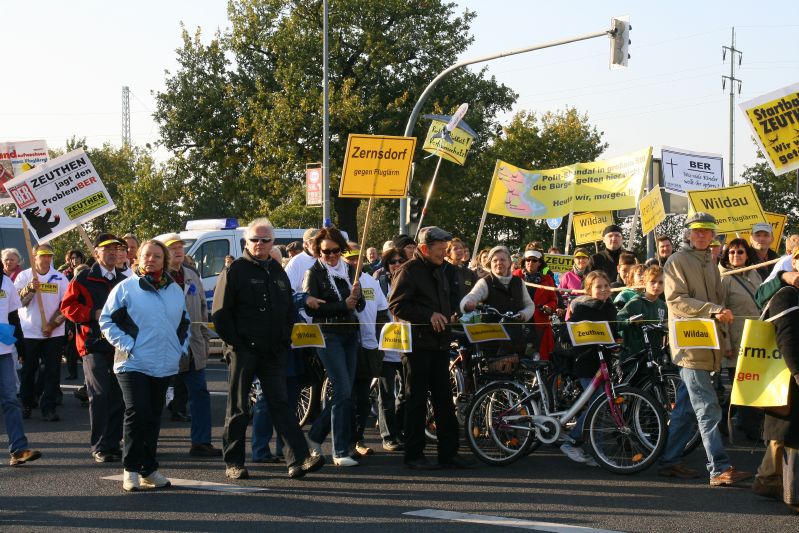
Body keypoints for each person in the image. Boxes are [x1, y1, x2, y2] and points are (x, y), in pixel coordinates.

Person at [212, 218, 324, 481]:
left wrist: (284, 339)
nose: (260, 244)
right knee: (239, 408)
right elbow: (220, 315)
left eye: (265, 240)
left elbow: (287, 308)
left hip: (273, 351)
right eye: (255, 240)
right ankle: (234, 462)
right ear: (246, 242)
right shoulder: (235, 271)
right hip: (243, 350)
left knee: (282, 405)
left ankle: (298, 460)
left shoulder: (277, 270)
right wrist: (237, 345)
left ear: (273, 243)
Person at [657, 212, 752, 486]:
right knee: (707, 407)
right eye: (697, 230)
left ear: (713, 236)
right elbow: (676, 300)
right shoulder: (677, 260)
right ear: (688, 233)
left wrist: (727, 344)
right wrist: (713, 310)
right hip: (690, 347)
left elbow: (720, 304)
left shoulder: (710, 262)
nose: (701, 235)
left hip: (708, 346)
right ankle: (718, 468)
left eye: (707, 231)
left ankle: (670, 460)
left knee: (688, 406)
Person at [99, 239, 191, 492]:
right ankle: (130, 469)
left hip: (164, 362)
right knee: (137, 411)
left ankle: (148, 469)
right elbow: (107, 321)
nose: (151, 259)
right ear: (137, 258)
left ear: (166, 261)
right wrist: (129, 344)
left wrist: (180, 349)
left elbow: (184, 323)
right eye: (146, 255)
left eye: (157, 256)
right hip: (132, 362)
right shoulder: (125, 288)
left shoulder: (173, 289)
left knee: (152, 416)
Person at [390, 226, 474, 470]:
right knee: (415, 401)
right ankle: (414, 454)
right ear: (425, 249)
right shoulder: (408, 271)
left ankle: (449, 453)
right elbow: (396, 305)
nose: (444, 254)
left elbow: (444, 302)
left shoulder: (442, 270)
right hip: (417, 345)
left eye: (446, 250)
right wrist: (429, 315)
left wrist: (452, 313)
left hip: (439, 343)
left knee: (444, 400)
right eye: (440, 250)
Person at [61, 234, 128, 463]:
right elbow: (67, 308)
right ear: (96, 253)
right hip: (93, 344)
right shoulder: (84, 278)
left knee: (118, 396)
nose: (112, 252)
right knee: (100, 394)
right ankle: (100, 445)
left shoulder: (123, 280)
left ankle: (113, 443)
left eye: (116, 249)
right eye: (106, 249)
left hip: (118, 344)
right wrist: (92, 314)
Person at [304, 228, 364, 466]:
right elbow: (311, 308)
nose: (331, 256)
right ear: (318, 250)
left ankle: (315, 436)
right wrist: (343, 305)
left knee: (345, 392)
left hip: (350, 333)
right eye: (326, 251)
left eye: (336, 251)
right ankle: (339, 451)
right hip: (328, 335)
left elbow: (358, 306)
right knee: (342, 390)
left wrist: (357, 296)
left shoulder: (350, 270)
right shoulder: (314, 273)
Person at [159, 233, 221, 457]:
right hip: (165, 346)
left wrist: (204, 340)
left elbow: (203, 309)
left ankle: (201, 442)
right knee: (154, 396)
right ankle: (147, 442)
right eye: (172, 247)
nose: (178, 250)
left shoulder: (192, 274)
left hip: (192, 345)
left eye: (180, 247)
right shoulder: (156, 276)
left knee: (200, 394)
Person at [755, 246, 799, 512]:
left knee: (782, 435)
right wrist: (797, 371)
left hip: (788, 378)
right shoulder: (786, 293)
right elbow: (788, 338)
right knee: (791, 435)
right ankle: (793, 494)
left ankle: (767, 481)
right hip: (787, 377)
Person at [560, 270, 617, 466]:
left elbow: (614, 332)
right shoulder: (583, 309)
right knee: (597, 404)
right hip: (586, 362)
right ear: (589, 290)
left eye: (606, 286)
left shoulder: (611, 308)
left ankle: (597, 450)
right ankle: (572, 440)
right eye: (598, 287)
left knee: (601, 406)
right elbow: (568, 333)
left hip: (604, 362)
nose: (603, 290)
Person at [14, 244, 69, 422]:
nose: (46, 259)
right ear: (34, 255)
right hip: (30, 332)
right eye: (42, 255)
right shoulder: (24, 276)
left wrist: (52, 325)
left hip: (54, 334)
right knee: (29, 370)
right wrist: (29, 289)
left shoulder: (60, 278)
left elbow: (66, 306)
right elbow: (18, 303)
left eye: (49, 255)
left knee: (52, 371)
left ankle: (49, 407)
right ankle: (26, 404)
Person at [718, 239, 763, 440]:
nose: (736, 255)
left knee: (744, 385)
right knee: (743, 385)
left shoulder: (755, 273)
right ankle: (751, 429)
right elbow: (720, 313)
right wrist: (726, 344)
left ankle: (723, 421)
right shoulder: (725, 279)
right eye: (732, 252)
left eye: (740, 252)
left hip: (755, 337)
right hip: (736, 340)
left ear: (747, 255)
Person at [1, 262, 41, 467]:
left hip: (3, 352)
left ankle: (18, 450)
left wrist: (22, 349)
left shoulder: (5, 281)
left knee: (11, 400)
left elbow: (12, 316)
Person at [461, 246, 535, 358]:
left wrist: (523, 314)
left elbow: (530, 305)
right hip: (492, 341)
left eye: (503, 260)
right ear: (490, 263)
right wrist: (467, 305)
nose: (499, 263)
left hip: (516, 338)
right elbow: (471, 297)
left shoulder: (519, 282)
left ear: (509, 263)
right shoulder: (485, 282)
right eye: (495, 260)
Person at [374, 248, 407, 451]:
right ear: (386, 265)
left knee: (406, 392)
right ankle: (388, 436)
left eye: (400, 261)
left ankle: (398, 429)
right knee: (386, 393)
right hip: (386, 344)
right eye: (392, 262)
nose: (396, 264)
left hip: (405, 344)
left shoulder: (410, 281)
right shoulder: (378, 282)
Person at [617, 265, 668, 370]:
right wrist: (629, 321)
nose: (657, 285)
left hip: (653, 356)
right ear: (644, 283)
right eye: (653, 282)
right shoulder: (636, 302)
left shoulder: (662, 305)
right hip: (633, 357)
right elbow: (616, 322)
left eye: (661, 282)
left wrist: (666, 327)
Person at [514, 249, 556, 360]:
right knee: (518, 355)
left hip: (539, 324)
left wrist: (549, 307)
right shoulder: (515, 276)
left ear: (540, 263)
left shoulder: (547, 279)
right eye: (528, 260)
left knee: (538, 357)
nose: (530, 262)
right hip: (519, 322)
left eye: (534, 260)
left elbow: (553, 299)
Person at [443, 237, 478, 314]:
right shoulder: (443, 271)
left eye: (461, 248)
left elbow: (475, 293)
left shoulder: (470, 273)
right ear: (448, 253)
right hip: (449, 316)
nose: (459, 250)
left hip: (467, 315)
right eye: (455, 249)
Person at [559, 248, 591, 319]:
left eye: (584, 257)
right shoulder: (567, 276)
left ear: (588, 260)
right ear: (574, 260)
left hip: (590, 311)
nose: (581, 260)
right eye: (578, 258)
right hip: (572, 313)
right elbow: (559, 295)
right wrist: (564, 306)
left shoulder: (593, 275)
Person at [284, 228, 318, 292]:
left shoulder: (327, 258)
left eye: (321, 241)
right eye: (316, 242)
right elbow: (287, 292)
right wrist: (305, 299)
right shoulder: (295, 262)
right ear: (306, 244)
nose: (319, 245)